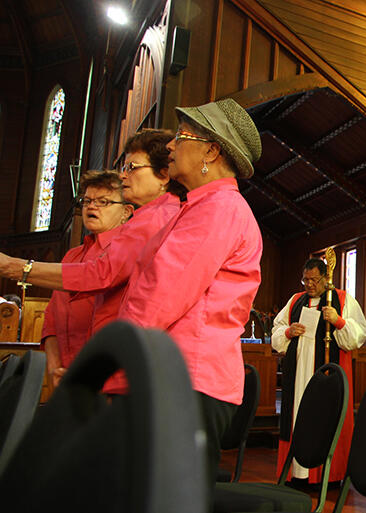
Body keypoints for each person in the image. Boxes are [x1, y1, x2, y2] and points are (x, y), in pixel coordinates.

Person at [114, 98, 263, 487]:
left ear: (212, 151)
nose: (170, 146)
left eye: (182, 137)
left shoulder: (219, 209)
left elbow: (163, 293)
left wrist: (111, 357)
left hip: (188, 379)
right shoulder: (200, 206)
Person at [0, 129, 182, 391]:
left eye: (131, 167)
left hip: (117, 369)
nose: (123, 175)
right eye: (87, 200)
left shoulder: (155, 218)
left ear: (163, 175)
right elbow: (53, 316)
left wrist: (15, 267)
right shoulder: (77, 253)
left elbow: (100, 274)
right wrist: (55, 364)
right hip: (93, 369)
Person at [271, 258, 366, 483]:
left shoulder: (342, 299)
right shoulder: (295, 300)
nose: (310, 285)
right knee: (297, 416)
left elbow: (358, 335)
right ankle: (296, 472)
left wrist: (338, 321)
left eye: (314, 280)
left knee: (324, 417)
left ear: (326, 278)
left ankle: (326, 475)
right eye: (305, 280)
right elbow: (277, 329)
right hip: (297, 375)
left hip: (326, 374)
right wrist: (288, 332)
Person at [41, 170, 133, 388]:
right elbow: (51, 320)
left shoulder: (127, 252)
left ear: (126, 212)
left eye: (103, 202)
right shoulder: (71, 256)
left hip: (109, 379)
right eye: (88, 201)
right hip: (66, 377)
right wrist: (55, 369)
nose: (92, 207)